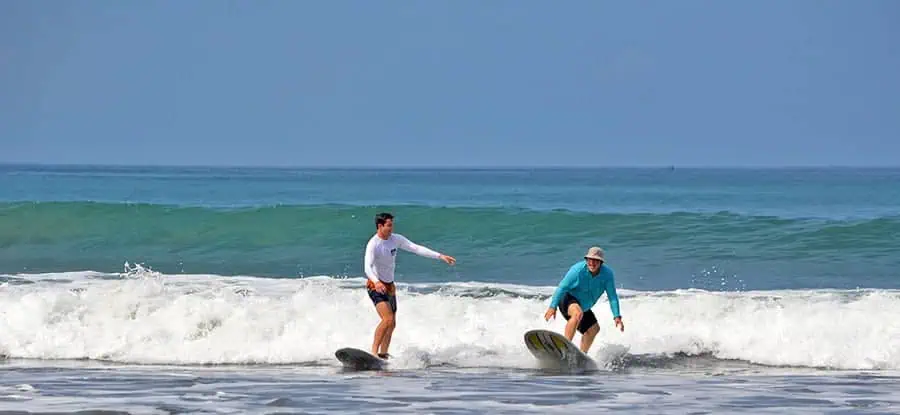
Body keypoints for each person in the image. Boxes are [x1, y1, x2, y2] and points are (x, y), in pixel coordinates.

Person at [363, 212, 456, 359]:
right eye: (389, 225)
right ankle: (373, 352)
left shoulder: (395, 239)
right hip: (375, 286)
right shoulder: (373, 244)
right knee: (386, 319)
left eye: (392, 225)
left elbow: (416, 248)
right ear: (380, 226)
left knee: (392, 323)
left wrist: (439, 256)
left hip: (389, 286)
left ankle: (383, 354)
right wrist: (376, 281)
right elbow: (367, 267)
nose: (391, 228)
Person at [544, 246, 624, 353]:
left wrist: (616, 316)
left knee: (594, 329)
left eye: (595, 260)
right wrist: (552, 307)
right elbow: (562, 287)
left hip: (583, 307)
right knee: (577, 313)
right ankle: (565, 347)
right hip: (567, 299)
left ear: (601, 262)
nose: (592, 263)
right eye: (589, 260)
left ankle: (582, 355)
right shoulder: (577, 270)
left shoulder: (607, 275)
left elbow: (612, 297)